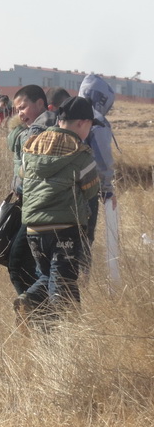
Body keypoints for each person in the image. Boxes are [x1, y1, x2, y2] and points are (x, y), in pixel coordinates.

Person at [15, 96, 100, 330]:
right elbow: (91, 191)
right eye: (90, 125)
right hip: (65, 229)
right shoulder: (81, 154)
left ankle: (29, 301)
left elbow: (21, 183)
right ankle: (68, 333)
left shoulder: (32, 147)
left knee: (47, 275)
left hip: (33, 229)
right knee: (64, 284)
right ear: (82, 123)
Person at [5, 85, 57, 297]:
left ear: (40, 103)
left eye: (23, 107)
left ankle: (34, 308)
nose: (20, 113)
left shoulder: (44, 132)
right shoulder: (30, 131)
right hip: (33, 206)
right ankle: (42, 311)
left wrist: (19, 185)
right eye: (17, 110)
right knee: (34, 267)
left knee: (18, 265)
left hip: (41, 208)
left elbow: (31, 173)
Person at [78, 74, 118, 276]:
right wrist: (107, 188)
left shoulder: (67, 113)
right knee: (84, 239)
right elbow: (103, 160)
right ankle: (81, 285)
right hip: (88, 189)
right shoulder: (97, 121)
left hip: (58, 189)